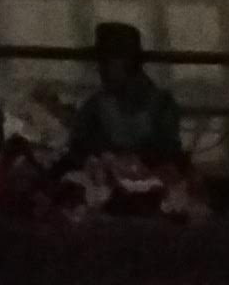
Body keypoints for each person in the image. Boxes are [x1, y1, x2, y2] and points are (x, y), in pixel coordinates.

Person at [63, 23, 184, 173]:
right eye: (101, 62)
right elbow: (77, 150)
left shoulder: (161, 105)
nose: (101, 70)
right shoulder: (95, 107)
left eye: (107, 62)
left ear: (129, 63)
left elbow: (169, 155)